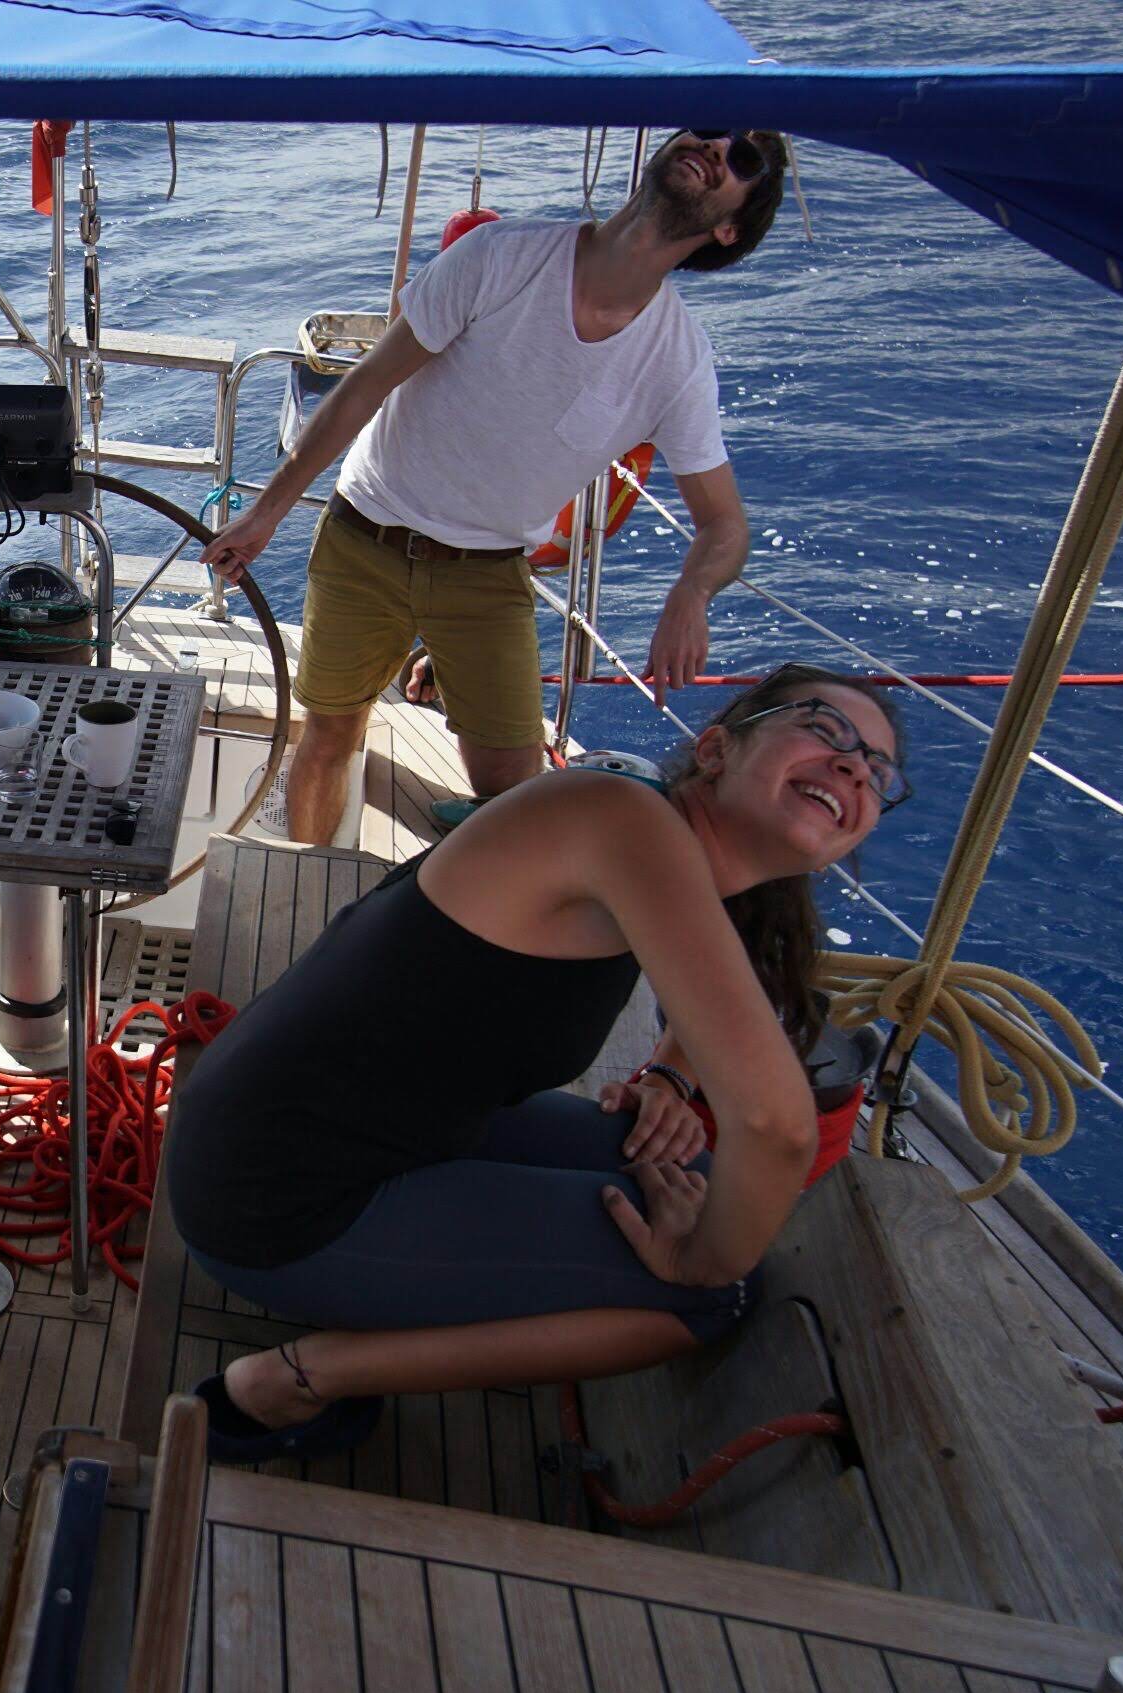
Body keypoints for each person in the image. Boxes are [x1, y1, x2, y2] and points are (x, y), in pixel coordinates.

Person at [159, 665, 907, 1461]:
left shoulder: (668, 840)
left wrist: (669, 1076)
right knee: (720, 1291)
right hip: (273, 1199)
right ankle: (301, 1379)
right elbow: (775, 1126)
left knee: (693, 1175)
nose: (854, 766)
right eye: (823, 729)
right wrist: (696, 1262)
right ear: (717, 749)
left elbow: (732, 973)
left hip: (354, 1127)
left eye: (877, 769)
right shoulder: (621, 821)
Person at [203, 128, 791, 843]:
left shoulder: (677, 360)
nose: (718, 144)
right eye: (711, 125)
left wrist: (692, 592)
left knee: (515, 791)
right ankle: (307, 884)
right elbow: (365, 386)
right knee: (329, 735)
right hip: (365, 535)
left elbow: (725, 525)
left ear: (731, 229)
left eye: (744, 157)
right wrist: (267, 512)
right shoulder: (500, 255)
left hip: (487, 575)